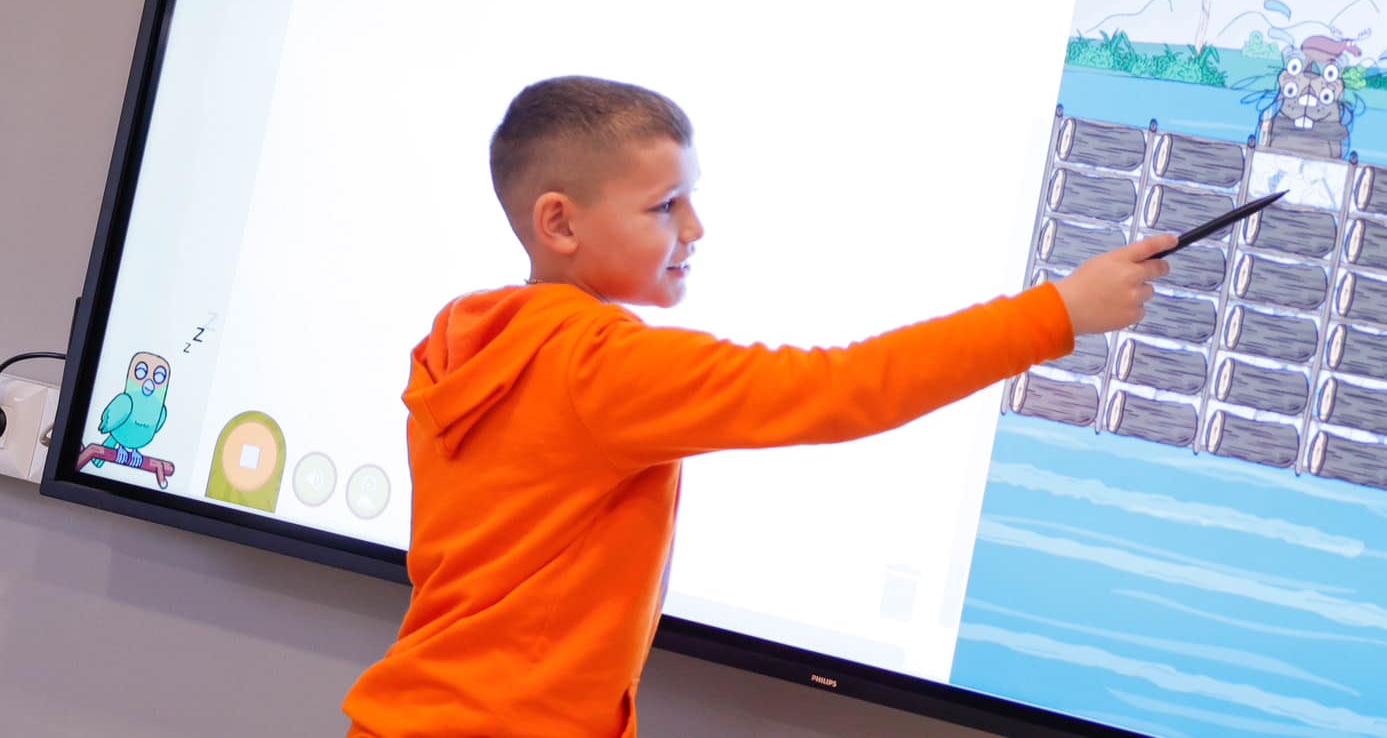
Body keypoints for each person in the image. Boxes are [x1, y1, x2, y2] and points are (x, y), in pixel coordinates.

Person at [344, 75, 1170, 736]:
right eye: (665, 205)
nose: (695, 227)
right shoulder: (602, 367)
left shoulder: (470, 336)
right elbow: (840, 389)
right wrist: (1058, 312)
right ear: (559, 223)